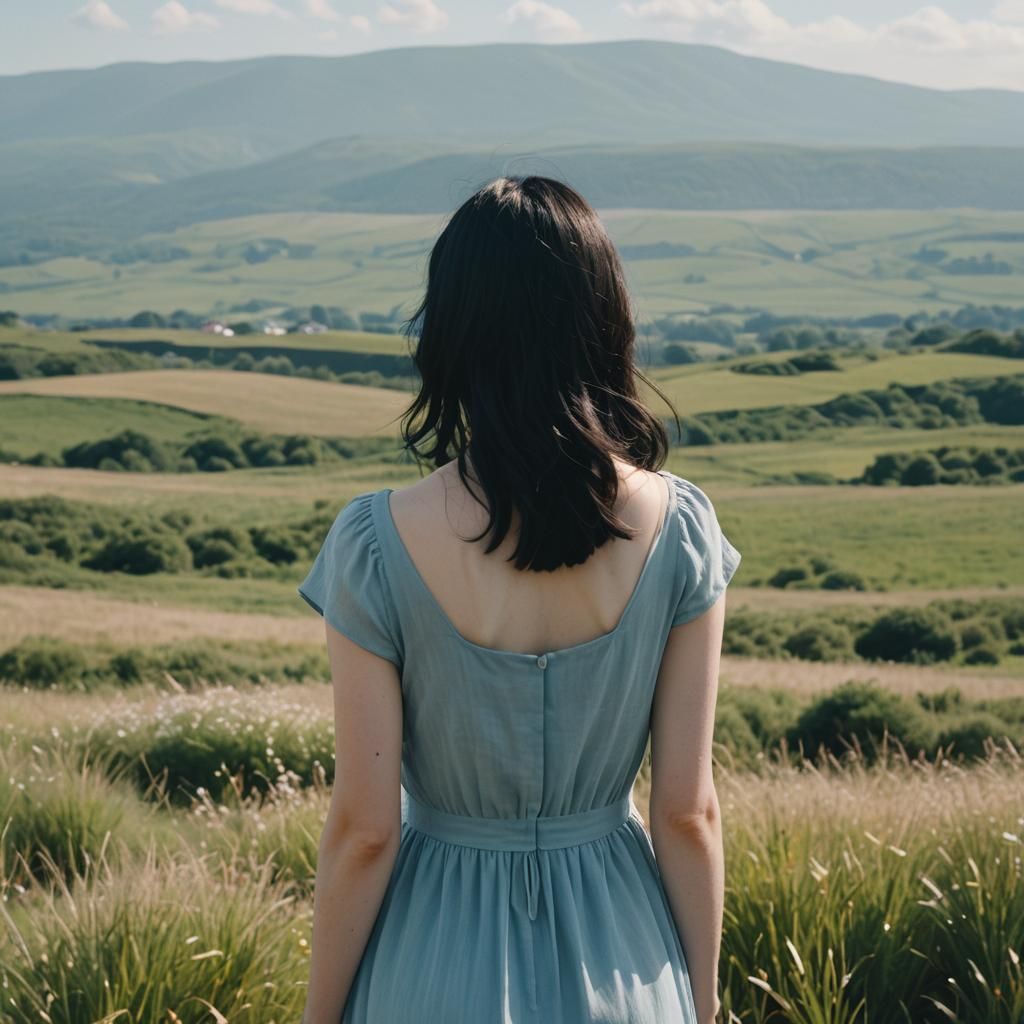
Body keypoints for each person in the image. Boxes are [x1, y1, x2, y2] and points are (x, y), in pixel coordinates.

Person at [297, 175, 741, 1024]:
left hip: (426, 964)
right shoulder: (681, 525)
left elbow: (364, 830)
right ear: (606, 322)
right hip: (628, 962)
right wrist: (703, 1002)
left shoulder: (375, 542)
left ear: (456, 331)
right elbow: (688, 813)